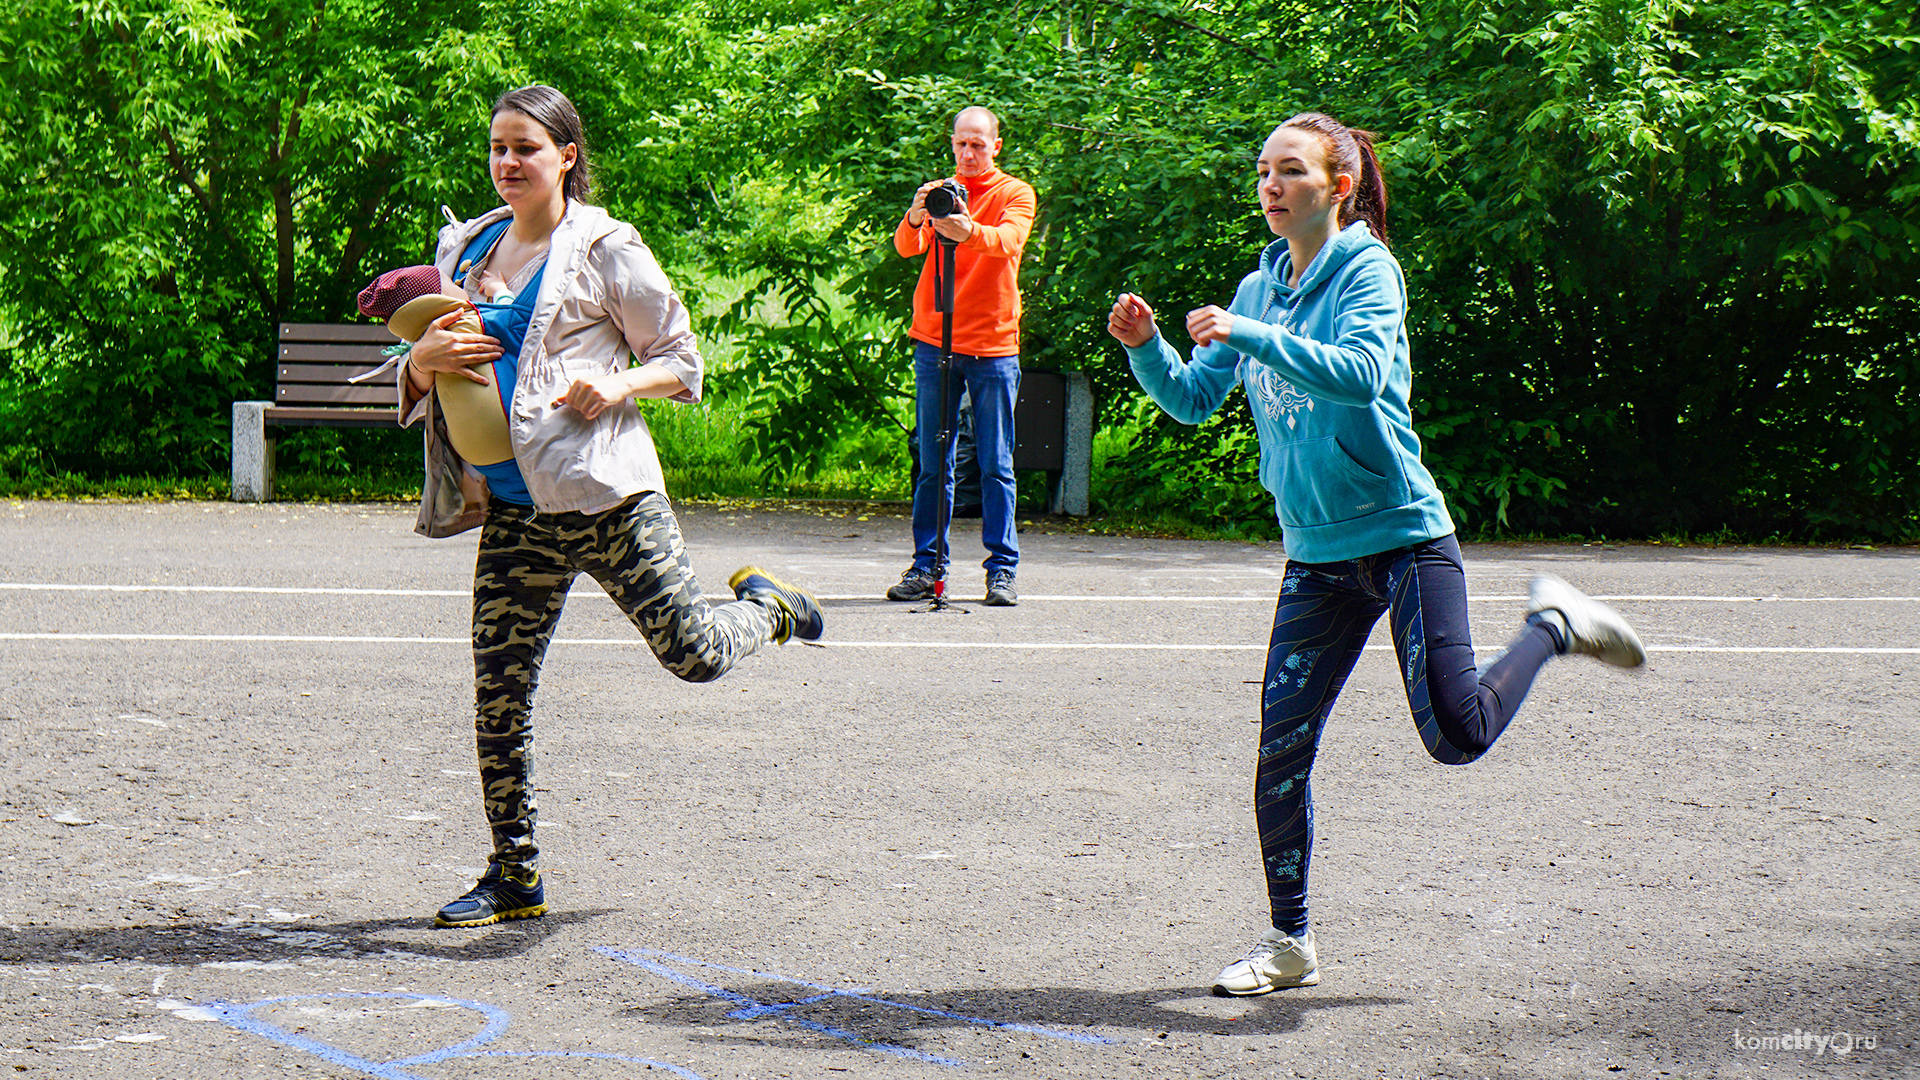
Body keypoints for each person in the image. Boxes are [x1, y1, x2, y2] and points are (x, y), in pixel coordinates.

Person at [1107, 112, 1646, 995]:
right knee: (1280, 752)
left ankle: (1553, 627)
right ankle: (1290, 943)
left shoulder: (1368, 269)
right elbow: (1193, 400)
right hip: (1317, 557)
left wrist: (1250, 336)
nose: (1270, 186)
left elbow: (1358, 370)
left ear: (1339, 186)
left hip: (1403, 540)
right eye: (1262, 171)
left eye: (1290, 171)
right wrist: (1147, 349)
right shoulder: (1255, 288)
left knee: (1455, 736)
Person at [396, 84, 825, 929]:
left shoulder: (604, 248)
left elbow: (683, 359)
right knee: (499, 695)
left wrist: (618, 381)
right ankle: (514, 876)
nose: (509, 163)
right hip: (517, 514)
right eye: (497, 148)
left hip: (607, 496)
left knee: (694, 655)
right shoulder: (468, 251)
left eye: (526, 148)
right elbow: (426, 376)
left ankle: (767, 610)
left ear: (567, 156)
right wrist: (419, 361)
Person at [887, 105, 1036, 607]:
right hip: (935, 340)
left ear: (995, 145)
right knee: (933, 462)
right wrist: (917, 213)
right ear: (951, 144)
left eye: (978, 145)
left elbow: (1007, 242)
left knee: (996, 462)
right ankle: (927, 566)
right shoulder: (940, 193)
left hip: (993, 345)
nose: (968, 154)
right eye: (961, 145)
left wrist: (966, 227)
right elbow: (906, 247)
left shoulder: (1014, 192)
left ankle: (1002, 571)